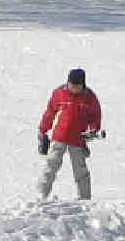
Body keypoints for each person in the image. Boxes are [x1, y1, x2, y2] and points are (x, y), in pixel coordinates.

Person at [37, 68, 102, 200]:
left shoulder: (90, 98)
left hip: (78, 140)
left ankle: (84, 198)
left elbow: (96, 116)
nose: (72, 88)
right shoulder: (59, 93)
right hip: (59, 137)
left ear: (82, 85)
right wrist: (43, 129)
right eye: (70, 85)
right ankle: (41, 195)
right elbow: (50, 112)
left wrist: (94, 129)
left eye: (76, 86)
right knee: (51, 165)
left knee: (81, 171)